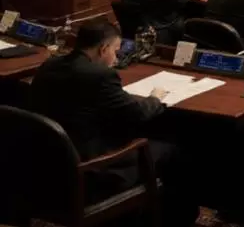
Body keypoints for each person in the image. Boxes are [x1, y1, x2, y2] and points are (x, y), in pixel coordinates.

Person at [30, 21, 197, 226]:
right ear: (104, 49)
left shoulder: (49, 66)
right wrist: (155, 98)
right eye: (116, 51)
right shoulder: (101, 76)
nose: (116, 58)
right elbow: (138, 114)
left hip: (46, 168)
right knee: (173, 148)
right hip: (92, 172)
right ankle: (176, 219)